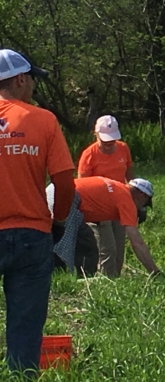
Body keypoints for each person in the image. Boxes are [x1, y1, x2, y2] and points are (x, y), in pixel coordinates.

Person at [0, 49, 75, 375]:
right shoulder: (42, 119)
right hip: (31, 235)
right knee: (26, 326)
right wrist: (57, 219)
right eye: (32, 79)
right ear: (20, 79)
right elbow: (64, 182)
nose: (33, 86)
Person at [77, 115, 135, 277]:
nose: (109, 145)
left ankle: (117, 280)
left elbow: (130, 176)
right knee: (107, 247)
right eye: (105, 142)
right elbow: (82, 187)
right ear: (96, 135)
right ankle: (106, 281)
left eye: (112, 141)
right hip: (99, 207)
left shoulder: (123, 148)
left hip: (120, 203)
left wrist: (135, 201)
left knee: (119, 245)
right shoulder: (89, 155)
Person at [74, 176, 159, 276]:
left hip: (61, 191)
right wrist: (154, 271)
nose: (142, 207)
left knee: (84, 244)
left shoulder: (119, 188)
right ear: (142, 195)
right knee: (88, 249)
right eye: (145, 204)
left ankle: (71, 277)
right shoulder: (127, 201)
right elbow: (137, 242)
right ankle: (84, 280)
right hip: (68, 200)